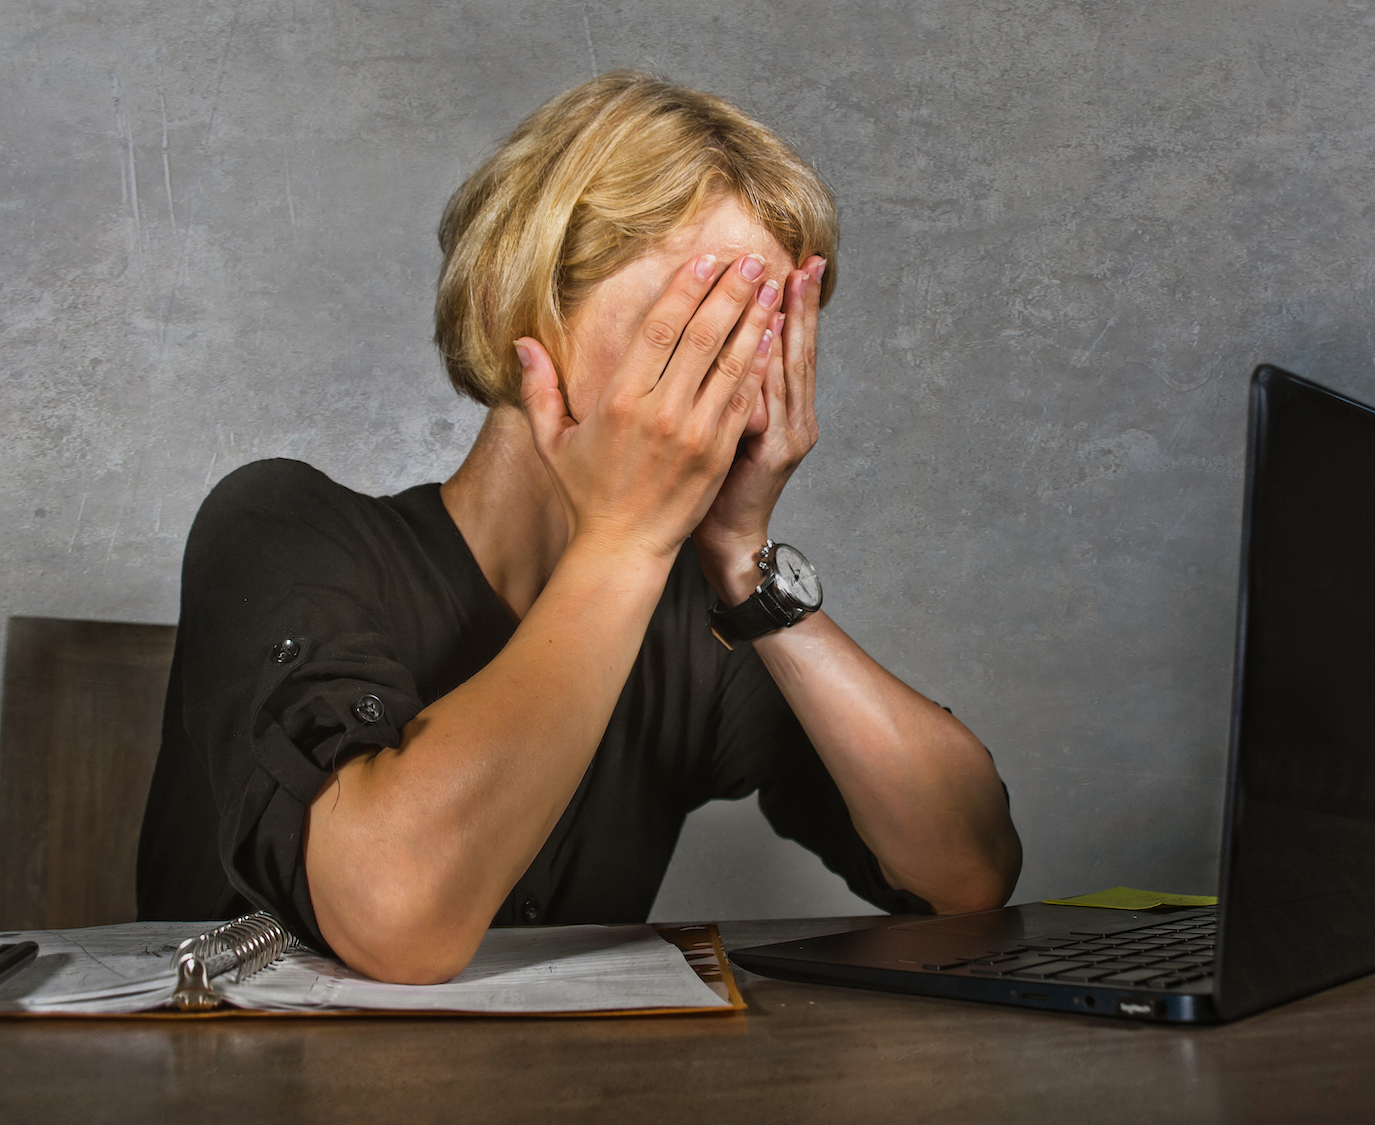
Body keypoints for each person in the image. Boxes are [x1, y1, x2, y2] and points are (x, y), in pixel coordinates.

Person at [136, 72, 1021, 985]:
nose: (725, 386)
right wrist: (628, 540)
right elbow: (394, 913)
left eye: (760, 337)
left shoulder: (695, 615)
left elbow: (966, 871)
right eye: (688, 329)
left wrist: (742, 560)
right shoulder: (282, 527)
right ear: (509, 310)